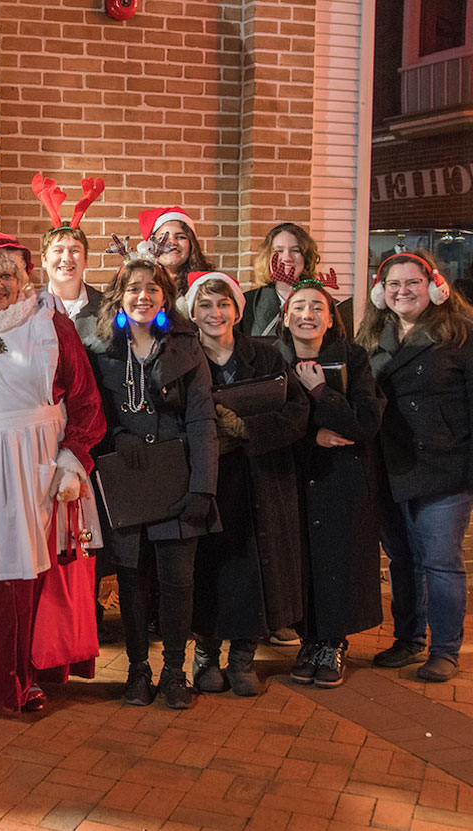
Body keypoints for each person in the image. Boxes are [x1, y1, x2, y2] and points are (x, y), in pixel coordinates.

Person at [0, 232, 106, 713]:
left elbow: (86, 399)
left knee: (24, 574)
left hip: (32, 463)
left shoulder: (48, 321)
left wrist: (73, 460)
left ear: (24, 277)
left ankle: (26, 676)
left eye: (9, 274)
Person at [88, 252, 219, 710]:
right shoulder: (103, 349)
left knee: (178, 580)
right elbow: (93, 413)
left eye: (152, 289)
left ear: (165, 297)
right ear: (119, 297)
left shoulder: (186, 346)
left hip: (177, 477)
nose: (142, 296)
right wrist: (117, 438)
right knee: (132, 581)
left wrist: (204, 487)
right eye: (133, 289)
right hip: (127, 478)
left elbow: (203, 420)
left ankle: (176, 671)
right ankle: (138, 668)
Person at [357, 250, 473, 682]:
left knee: (439, 560)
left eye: (412, 282)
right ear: (381, 292)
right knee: (401, 559)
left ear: (434, 285)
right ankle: (408, 640)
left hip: (445, 465)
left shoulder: (464, 333)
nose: (402, 291)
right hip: (390, 466)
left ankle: (445, 650)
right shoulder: (374, 335)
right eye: (393, 284)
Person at [184, 271, 308, 696]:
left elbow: (297, 411)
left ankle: (241, 658)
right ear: (192, 312)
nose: (214, 313)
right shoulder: (183, 358)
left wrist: (248, 427)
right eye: (205, 305)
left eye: (223, 305)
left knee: (250, 570)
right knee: (207, 567)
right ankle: (205, 657)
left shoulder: (269, 357)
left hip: (257, 481)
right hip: (207, 480)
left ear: (238, 311)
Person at [278, 280, 384, 688]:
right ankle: (309, 640)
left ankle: (333, 643)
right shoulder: (272, 359)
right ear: (286, 317)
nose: (308, 314)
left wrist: (321, 391)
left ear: (330, 318)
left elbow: (366, 422)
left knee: (339, 562)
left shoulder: (353, 358)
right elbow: (269, 420)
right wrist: (312, 436)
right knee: (301, 561)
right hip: (293, 476)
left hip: (343, 478)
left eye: (317, 308)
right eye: (299, 307)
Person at [242, 222, 320, 338]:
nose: (287, 258)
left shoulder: (327, 305)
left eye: (295, 250)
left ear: (306, 257)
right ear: (267, 258)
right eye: (278, 251)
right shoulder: (245, 303)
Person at [137, 206, 215, 301]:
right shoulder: (138, 280)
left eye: (180, 237)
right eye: (162, 238)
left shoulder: (209, 281)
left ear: (191, 244)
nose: (172, 242)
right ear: (150, 246)